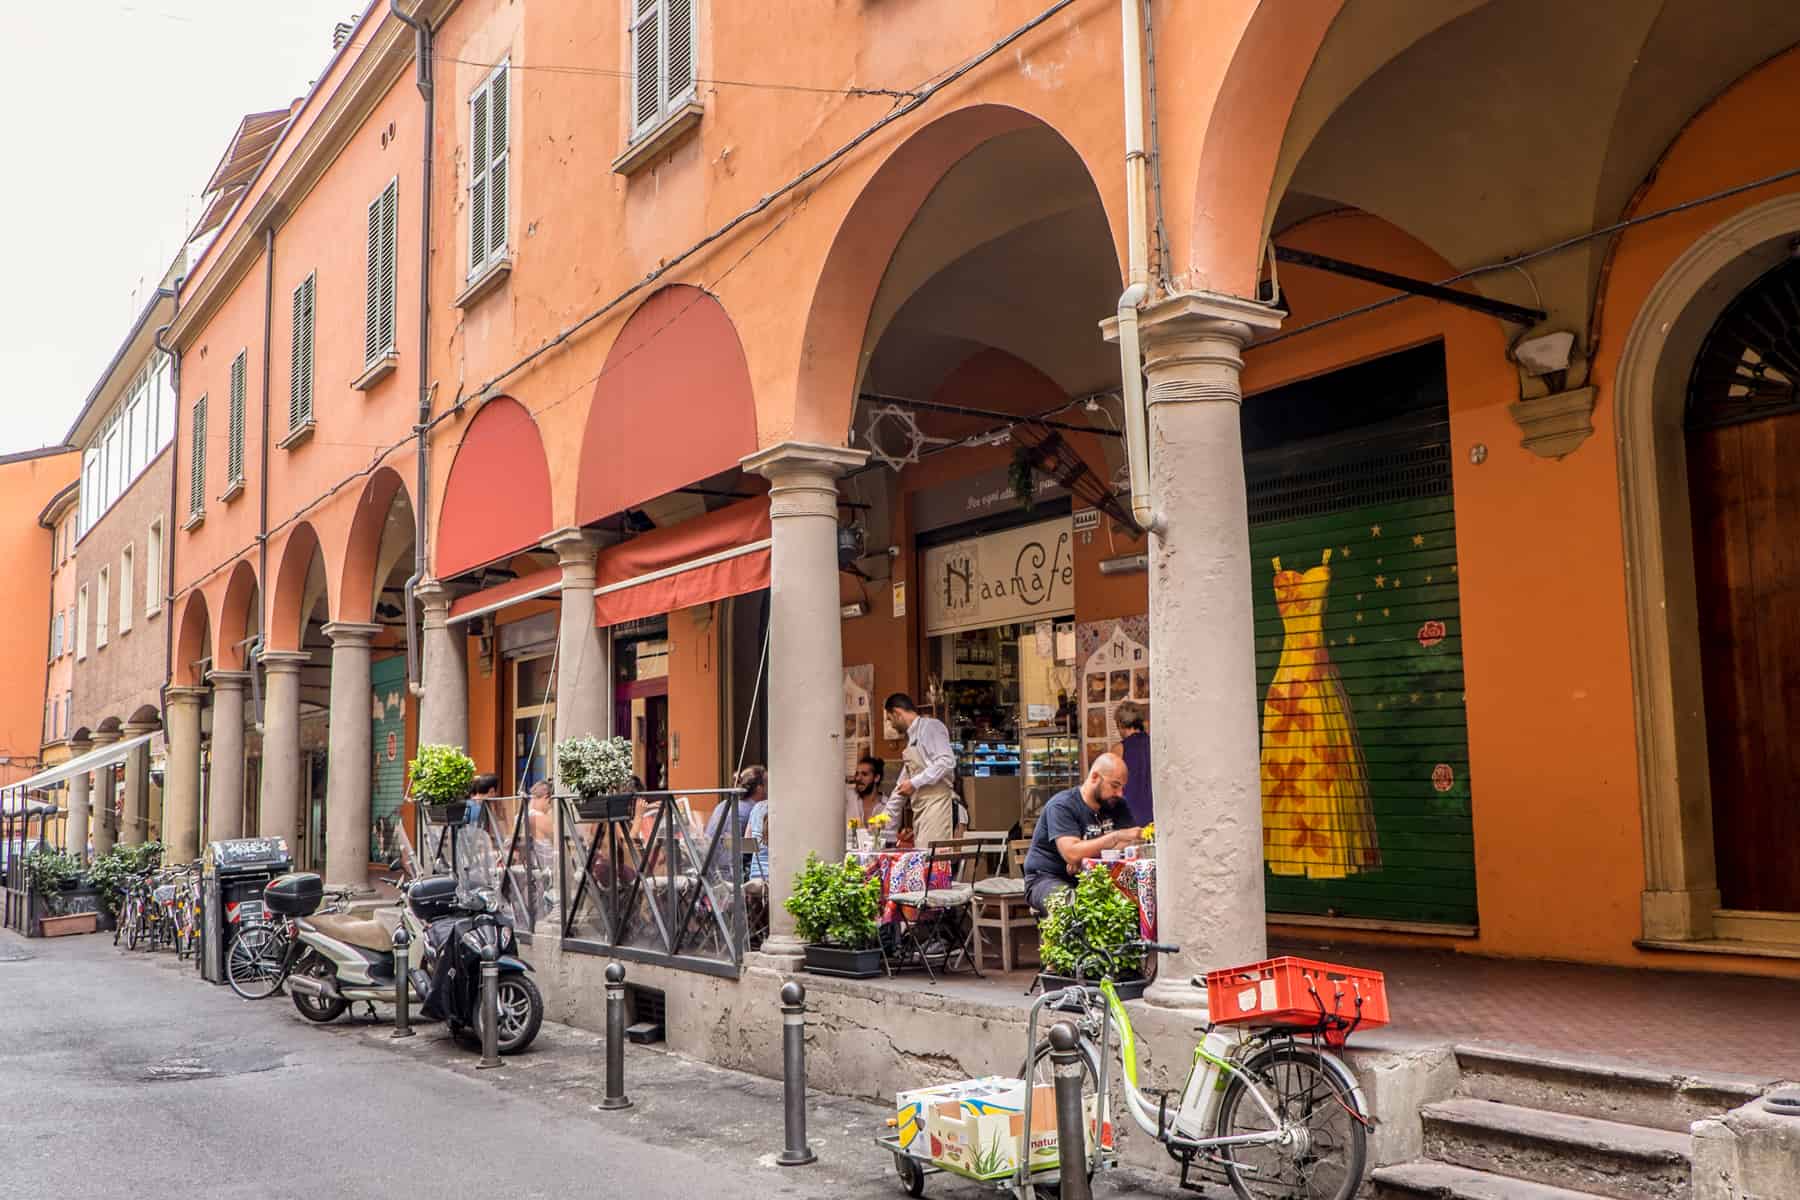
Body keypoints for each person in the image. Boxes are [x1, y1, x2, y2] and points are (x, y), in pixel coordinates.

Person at [1022, 753, 1140, 914]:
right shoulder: (1062, 806)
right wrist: (1115, 837)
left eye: (1122, 787)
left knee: (1136, 899)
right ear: (1095, 777)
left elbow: (1132, 842)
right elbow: (1072, 853)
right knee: (1071, 905)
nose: (1119, 793)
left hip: (1095, 878)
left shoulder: (1117, 805)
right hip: (1048, 878)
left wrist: (1086, 858)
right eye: (1114, 785)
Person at [883, 693, 957, 851]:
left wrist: (914, 783)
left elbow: (946, 761)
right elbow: (901, 786)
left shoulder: (931, 727)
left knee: (932, 863)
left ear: (897, 713)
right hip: (921, 811)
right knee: (922, 860)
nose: (891, 725)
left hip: (937, 806)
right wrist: (884, 825)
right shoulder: (911, 739)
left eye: (890, 719)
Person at [1114, 701, 1154, 826]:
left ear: (1121, 724)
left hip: (1129, 816)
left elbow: (1112, 785)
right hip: (1155, 814)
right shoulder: (1155, 744)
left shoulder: (1119, 749)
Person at [844, 754, 889, 830]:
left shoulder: (887, 806)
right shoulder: (849, 798)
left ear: (876, 778)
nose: (858, 778)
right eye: (857, 774)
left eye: (864, 774)